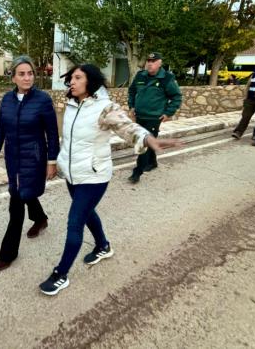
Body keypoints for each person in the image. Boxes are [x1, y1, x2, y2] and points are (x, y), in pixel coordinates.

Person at [39, 64, 179, 296]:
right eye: (70, 78)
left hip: (94, 176)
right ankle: (103, 246)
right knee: (87, 213)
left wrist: (147, 139)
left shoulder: (105, 108)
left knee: (75, 221)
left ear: (90, 81)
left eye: (77, 78)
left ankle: (60, 274)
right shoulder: (72, 104)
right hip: (74, 175)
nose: (71, 82)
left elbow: (127, 127)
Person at [0, 56, 60, 271]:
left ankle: (8, 252)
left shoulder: (43, 100)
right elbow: (1, 127)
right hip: (13, 158)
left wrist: (52, 161)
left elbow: (52, 134)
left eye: (30, 73)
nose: (27, 77)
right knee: (22, 192)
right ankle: (40, 219)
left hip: (34, 158)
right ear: (13, 77)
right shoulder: (7, 100)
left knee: (16, 202)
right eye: (22, 74)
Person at [126, 52, 182, 183]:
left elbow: (176, 97)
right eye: (148, 61)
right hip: (139, 115)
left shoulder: (167, 78)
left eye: (153, 61)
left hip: (154, 117)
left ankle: (137, 172)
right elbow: (132, 91)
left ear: (160, 63)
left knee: (143, 142)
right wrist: (131, 106)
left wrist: (168, 112)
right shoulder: (140, 75)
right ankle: (153, 162)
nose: (150, 64)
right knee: (148, 140)